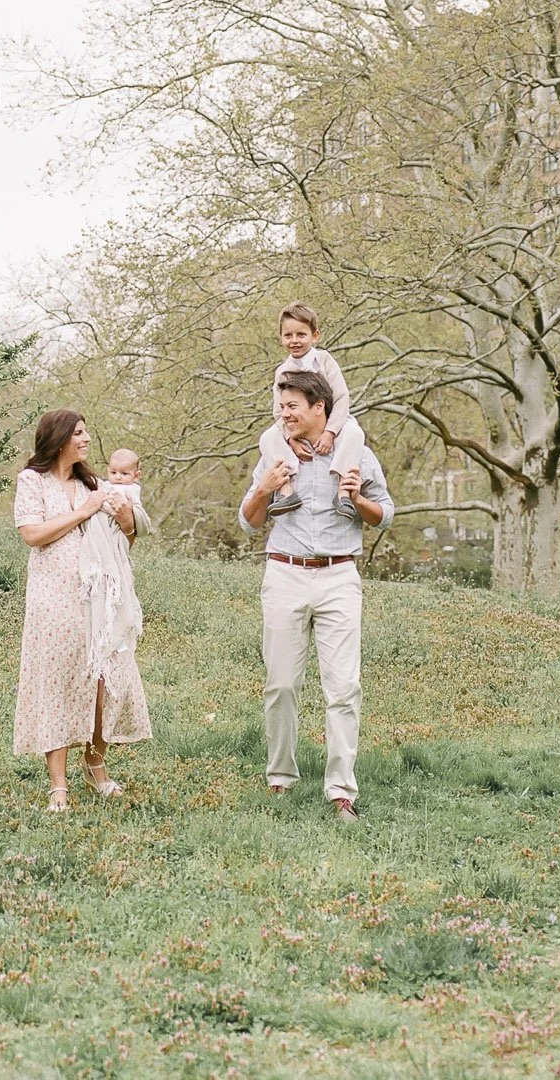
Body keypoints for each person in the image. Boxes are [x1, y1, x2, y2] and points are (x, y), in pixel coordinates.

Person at [239, 368, 394, 822]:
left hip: (339, 575)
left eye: (292, 407)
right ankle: (280, 778)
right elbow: (248, 522)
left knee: (343, 687)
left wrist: (356, 498)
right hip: (284, 573)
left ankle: (341, 791)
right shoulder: (273, 454)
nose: (284, 414)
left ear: (318, 409)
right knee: (282, 684)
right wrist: (265, 491)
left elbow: (384, 515)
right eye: (282, 406)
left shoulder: (355, 453)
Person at [13, 409, 152, 811]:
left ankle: (96, 765)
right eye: (79, 433)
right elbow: (32, 535)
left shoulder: (95, 483)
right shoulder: (33, 481)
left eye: (86, 431)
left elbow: (124, 543)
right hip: (54, 597)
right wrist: (84, 510)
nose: (87, 439)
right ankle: (58, 785)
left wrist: (127, 522)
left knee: (105, 682)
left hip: (101, 600)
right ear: (58, 439)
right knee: (56, 683)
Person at [261, 302, 366, 519]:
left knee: (355, 433)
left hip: (331, 421)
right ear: (281, 337)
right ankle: (286, 491)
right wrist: (291, 438)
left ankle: (343, 491)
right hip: (297, 427)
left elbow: (341, 397)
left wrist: (330, 432)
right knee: (268, 437)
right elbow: (279, 411)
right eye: (288, 335)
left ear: (314, 335)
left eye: (301, 334)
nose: (294, 341)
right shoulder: (282, 372)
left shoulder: (325, 361)